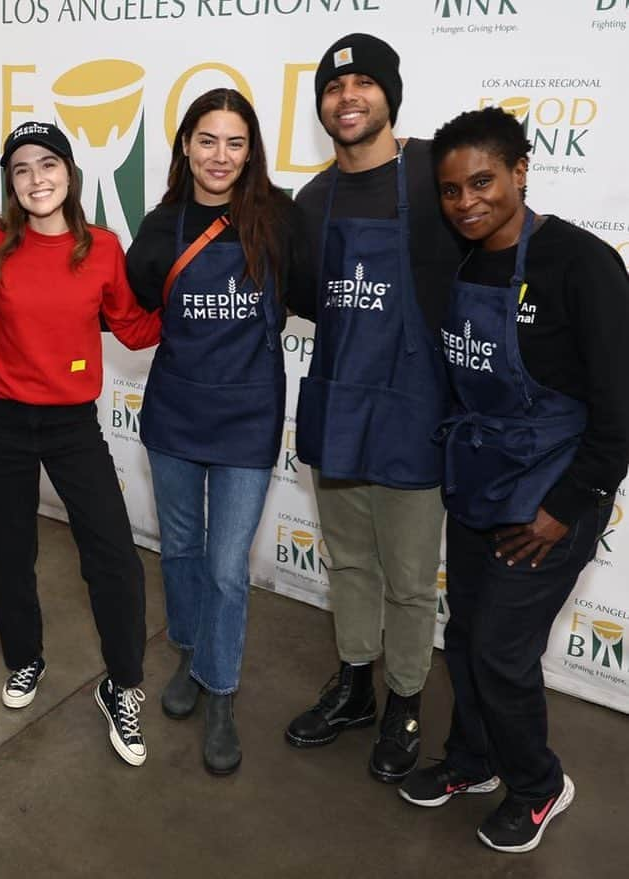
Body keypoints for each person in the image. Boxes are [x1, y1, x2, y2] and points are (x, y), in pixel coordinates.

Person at [398, 106, 629, 853]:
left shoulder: (580, 263)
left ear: (520, 171)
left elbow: (618, 409)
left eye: (482, 182)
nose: (465, 202)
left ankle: (537, 784)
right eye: (449, 189)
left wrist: (565, 506)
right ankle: (472, 760)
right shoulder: (458, 259)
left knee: (500, 650)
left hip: (552, 494)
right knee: (465, 636)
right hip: (478, 481)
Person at [285, 34, 464, 783]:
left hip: (415, 409)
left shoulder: (432, 175)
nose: (346, 96)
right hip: (339, 399)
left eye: (362, 83)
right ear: (320, 104)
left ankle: (404, 701)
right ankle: (355, 682)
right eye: (333, 87)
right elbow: (302, 297)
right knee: (350, 561)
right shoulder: (311, 198)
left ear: (388, 94)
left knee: (410, 577)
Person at [0, 121, 160, 767]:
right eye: (21, 169)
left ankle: (121, 684)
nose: (36, 178)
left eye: (48, 164)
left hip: (71, 422)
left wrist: (199, 302)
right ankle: (25, 658)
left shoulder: (101, 247)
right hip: (1, 421)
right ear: (11, 183)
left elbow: (132, 327)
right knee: (8, 551)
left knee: (113, 556)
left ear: (70, 173)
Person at [126, 88, 306, 775]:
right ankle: (190, 653)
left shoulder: (280, 220)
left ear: (250, 150)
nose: (220, 156)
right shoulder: (162, 223)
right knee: (179, 549)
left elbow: (317, 290)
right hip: (175, 414)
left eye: (234, 142)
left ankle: (221, 690)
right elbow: (132, 300)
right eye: (207, 140)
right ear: (184, 146)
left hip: (248, 418)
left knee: (228, 566)